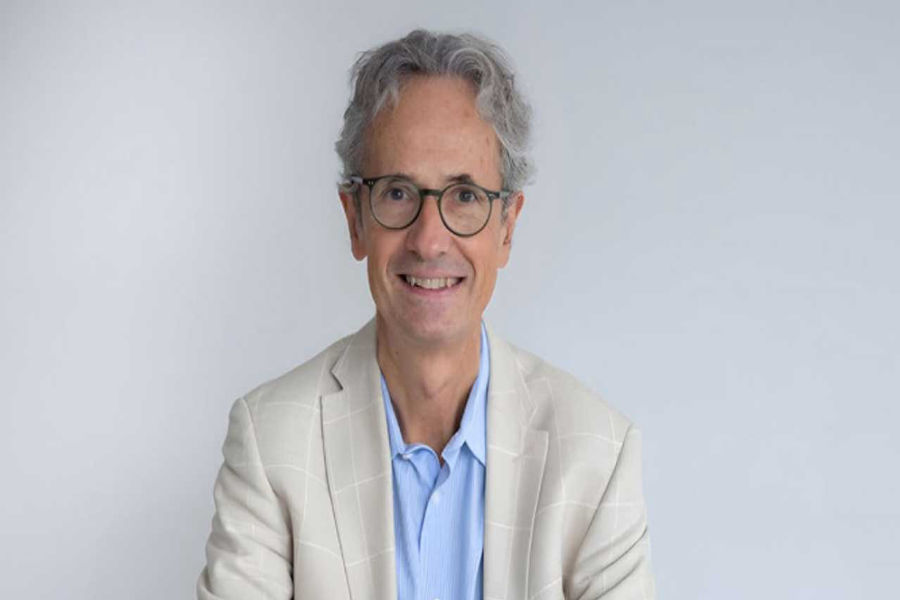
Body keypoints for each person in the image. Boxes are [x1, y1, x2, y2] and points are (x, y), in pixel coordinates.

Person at [197, 29, 655, 600]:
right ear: (355, 219)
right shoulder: (272, 442)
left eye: (465, 196)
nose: (430, 240)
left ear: (507, 227)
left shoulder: (596, 453)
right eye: (397, 192)